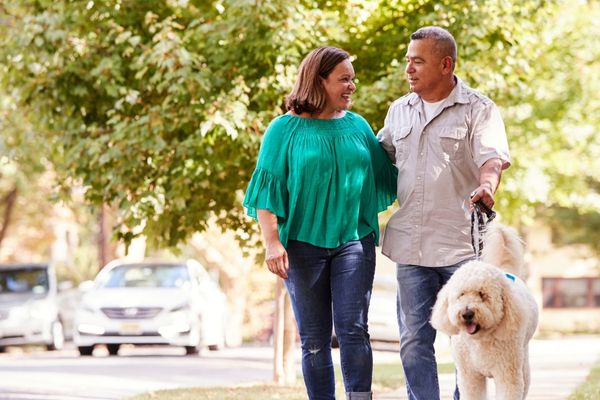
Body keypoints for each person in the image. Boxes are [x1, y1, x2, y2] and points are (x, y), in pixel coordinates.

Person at [243, 46, 397, 400]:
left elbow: (390, 172)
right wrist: (271, 242)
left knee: (354, 330)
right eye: (344, 79)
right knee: (314, 341)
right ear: (319, 80)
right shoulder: (283, 130)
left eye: (352, 79)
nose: (351, 87)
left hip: (352, 243)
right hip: (300, 246)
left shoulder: (358, 126)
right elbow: (267, 189)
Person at [377, 26, 511, 400]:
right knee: (413, 341)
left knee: (468, 343)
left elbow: (491, 160)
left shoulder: (479, 109)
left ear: (445, 64)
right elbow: (377, 161)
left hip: (462, 248)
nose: (409, 69)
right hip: (410, 248)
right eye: (408, 61)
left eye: (418, 61)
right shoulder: (399, 111)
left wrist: (487, 186)